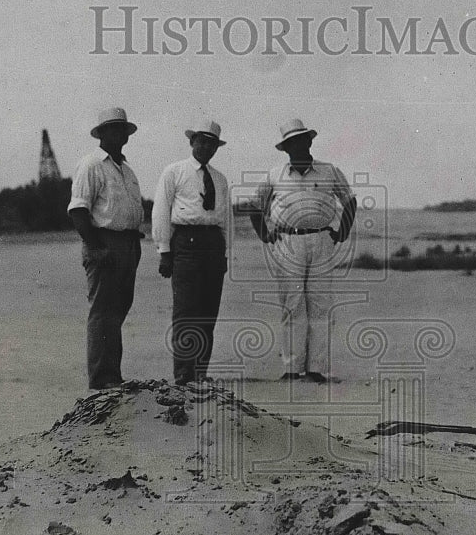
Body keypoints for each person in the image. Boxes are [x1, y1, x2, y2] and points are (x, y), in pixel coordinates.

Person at [250, 119, 357, 383]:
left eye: (301, 140)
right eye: (291, 143)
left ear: (309, 141)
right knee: (292, 305)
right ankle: (291, 368)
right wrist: (266, 234)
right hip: (288, 243)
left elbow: (350, 201)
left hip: (321, 241)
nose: (297, 146)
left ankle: (316, 368)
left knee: (320, 304)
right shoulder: (275, 175)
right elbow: (255, 206)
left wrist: (341, 232)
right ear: (285, 148)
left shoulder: (329, 171)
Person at [67, 107, 145, 390]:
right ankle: (102, 379)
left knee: (118, 310)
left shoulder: (126, 169)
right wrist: (96, 247)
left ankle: (112, 374)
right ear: (100, 134)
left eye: (122, 129)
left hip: (129, 243)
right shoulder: (91, 165)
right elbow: (78, 211)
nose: (118, 134)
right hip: (104, 241)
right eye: (112, 129)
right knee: (103, 311)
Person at [152, 121, 230, 386]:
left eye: (212, 143)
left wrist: (225, 253)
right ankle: (184, 374)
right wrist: (165, 250)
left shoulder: (219, 179)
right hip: (186, 241)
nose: (206, 147)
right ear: (192, 141)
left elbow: (225, 219)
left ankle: (200, 372)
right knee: (187, 311)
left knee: (208, 312)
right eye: (202, 141)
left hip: (213, 244)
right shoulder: (174, 172)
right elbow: (161, 211)